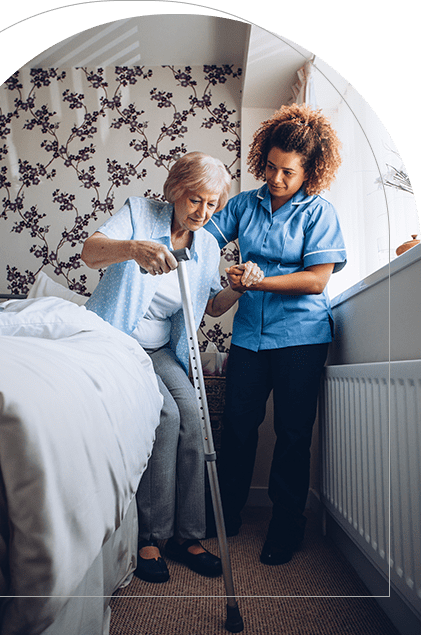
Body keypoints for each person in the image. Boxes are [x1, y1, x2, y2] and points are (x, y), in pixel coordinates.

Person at [81, 151, 264, 583]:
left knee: (193, 418)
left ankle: (188, 535)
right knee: (164, 415)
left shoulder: (208, 245)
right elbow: (91, 252)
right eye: (195, 200)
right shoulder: (139, 213)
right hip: (118, 340)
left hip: (163, 348)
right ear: (176, 192)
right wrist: (133, 249)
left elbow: (211, 306)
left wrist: (237, 288)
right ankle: (151, 535)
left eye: (212, 204)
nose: (203, 212)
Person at [205, 103, 346, 566]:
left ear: (310, 170)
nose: (277, 178)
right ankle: (226, 514)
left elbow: (316, 280)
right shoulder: (245, 204)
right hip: (249, 336)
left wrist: (257, 280)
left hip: (302, 337)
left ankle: (287, 527)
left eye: (288, 171)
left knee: (291, 433)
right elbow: (205, 238)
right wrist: (219, 273)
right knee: (240, 427)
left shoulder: (319, 212)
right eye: (270, 166)